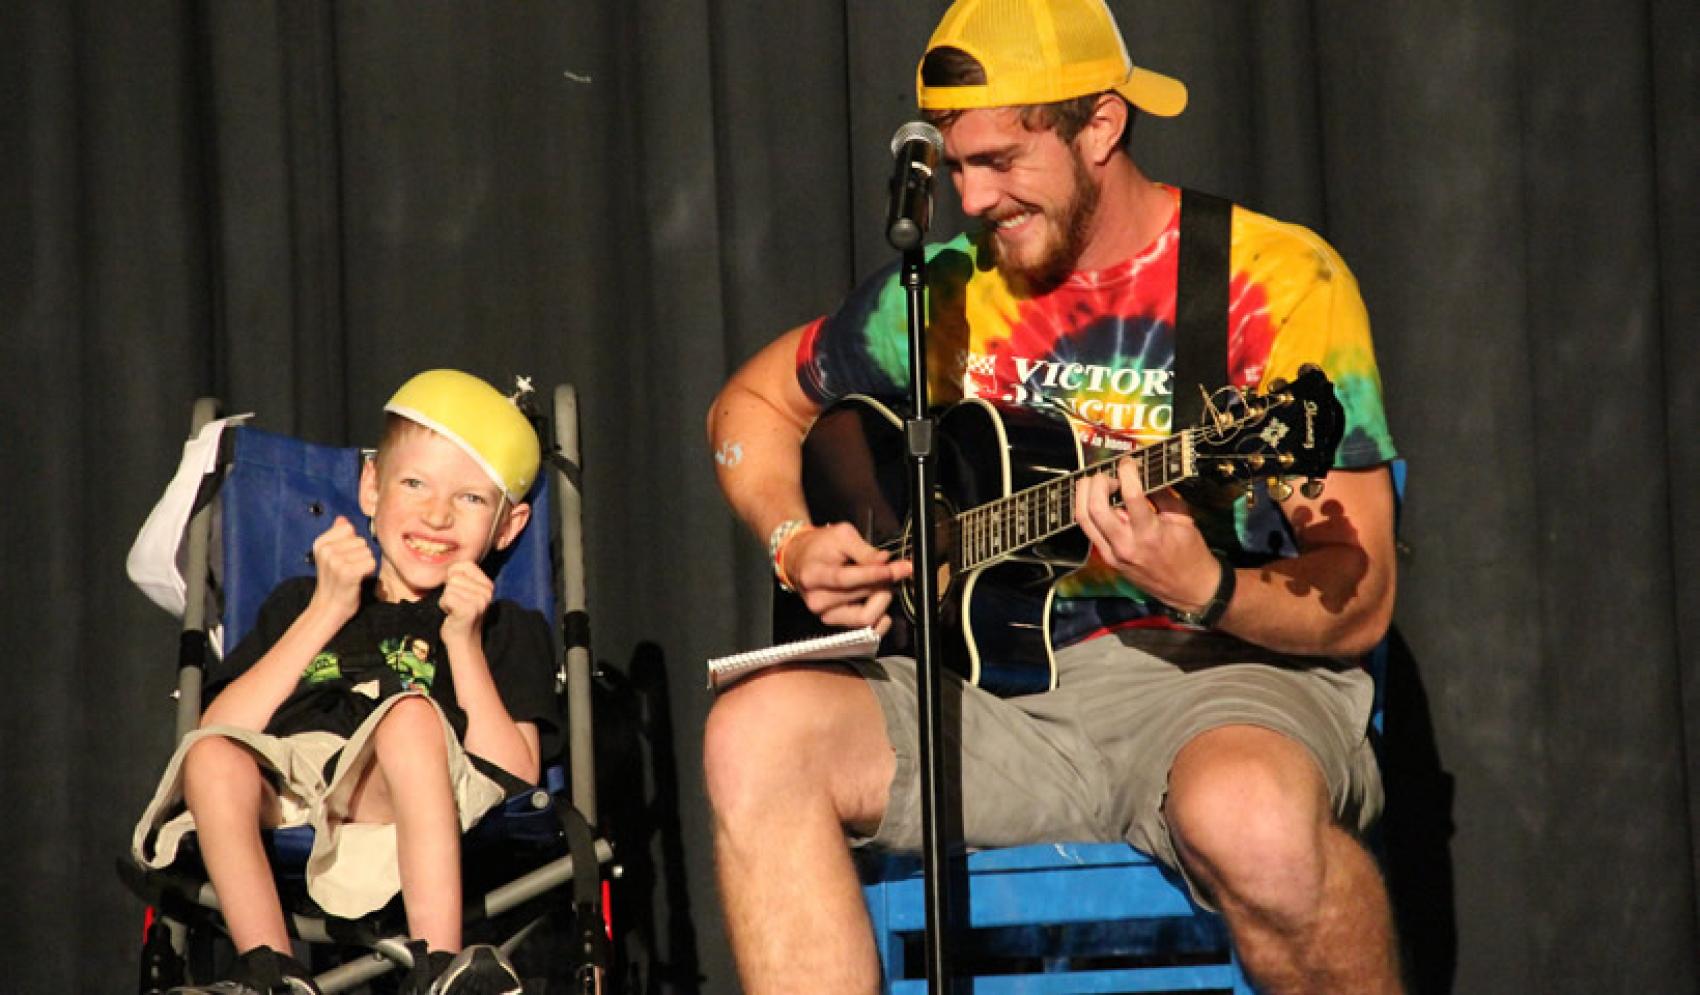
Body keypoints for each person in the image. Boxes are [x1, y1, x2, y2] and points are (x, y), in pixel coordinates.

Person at [702, 0, 1404, 992]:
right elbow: (747, 405)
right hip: (992, 697)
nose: (972, 196)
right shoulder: (936, 294)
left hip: (1215, 677)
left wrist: (1205, 584)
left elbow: (1359, 594)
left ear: (1101, 126)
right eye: (953, 166)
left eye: (999, 161)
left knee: (1246, 812)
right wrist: (792, 540)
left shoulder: (1270, 280)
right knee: (752, 732)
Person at [133, 369, 561, 995]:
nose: (437, 514)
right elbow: (216, 729)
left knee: (407, 717)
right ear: (370, 487)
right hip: (295, 791)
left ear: (508, 527)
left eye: (470, 498)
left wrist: (463, 644)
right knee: (211, 756)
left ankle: (440, 968)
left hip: (417, 792)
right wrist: (326, 612)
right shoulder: (300, 600)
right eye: (414, 484)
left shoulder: (501, 625)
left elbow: (516, 776)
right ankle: (272, 973)